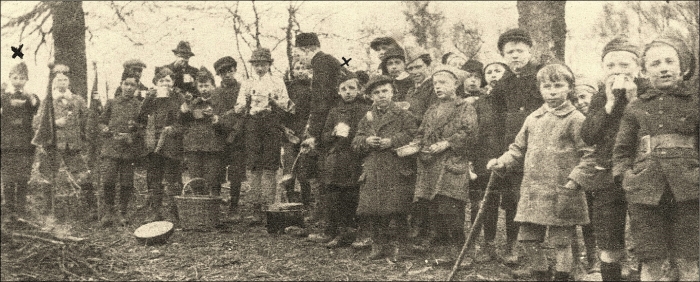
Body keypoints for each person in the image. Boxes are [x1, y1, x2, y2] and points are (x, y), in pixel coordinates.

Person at [488, 63, 595, 281]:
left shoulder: (575, 119)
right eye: (547, 86)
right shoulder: (532, 119)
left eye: (558, 85)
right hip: (534, 191)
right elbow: (517, 149)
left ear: (569, 88)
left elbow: (589, 154)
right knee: (528, 239)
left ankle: (563, 276)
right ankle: (542, 275)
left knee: (561, 242)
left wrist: (575, 181)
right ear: (540, 90)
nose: (553, 91)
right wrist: (502, 162)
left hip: (563, 191)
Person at [612, 36, 698, 281]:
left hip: (689, 190)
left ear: (682, 67)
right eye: (656, 63)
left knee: (688, 257)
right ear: (644, 71)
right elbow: (622, 150)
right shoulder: (636, 107)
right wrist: (626, 177)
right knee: (650, 257)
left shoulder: (695, 103)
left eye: (670, 61)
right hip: (645, 191)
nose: (663, 68)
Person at [580, 36, 647, 282]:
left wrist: (632, 100)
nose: (617, 71)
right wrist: (608, 103)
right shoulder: (600, 97)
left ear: (639, 68)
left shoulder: (647, 93)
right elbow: (588, 135)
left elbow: (649, 127)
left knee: (646, 232)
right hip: (607, 174)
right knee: (608, 235)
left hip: (641, 173)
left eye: (624, 65)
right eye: (610, 66)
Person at [489, 28, 544, 264]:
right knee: (513, 198)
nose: (515, 56)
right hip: (513, 148)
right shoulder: (504, 83)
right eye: (509, 52)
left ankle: (541, 251)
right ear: (503, 55)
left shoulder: (542, 76)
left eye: (520, 51)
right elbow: (497, 118)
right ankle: (514, 245)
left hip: (540, 146)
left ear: (529, 51)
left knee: (538, 197)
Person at [352, 75, 419, 261]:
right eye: (376, 92)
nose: (381, 95)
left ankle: (403, 247)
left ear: (393, 92)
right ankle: (378, 245)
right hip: (373, 168)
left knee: (398, 210)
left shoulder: (405, 115)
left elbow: (414, 136)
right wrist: (366, 141)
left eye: (385, 91)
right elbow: (356, 141)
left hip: (396, 167)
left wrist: (392, 141)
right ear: (371, 95)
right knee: (372, 211)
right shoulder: (367, 117)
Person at [412, 65, 478, 251]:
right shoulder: (432, 109)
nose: (438, 87)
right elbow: (421, 132)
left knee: (450, 207)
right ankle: (440, 245)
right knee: (433, 207)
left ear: (456, 84)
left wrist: (447, 143)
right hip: (430, 164)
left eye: (443, 83)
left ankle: (460, 248)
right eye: (435, 84)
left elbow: (470, 133)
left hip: (452, 164)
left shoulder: (465, 107)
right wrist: (415, 146)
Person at [307, 69, 371, 247]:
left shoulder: (365, 110)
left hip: (354, 158)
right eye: (344, 89)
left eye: (352, 88)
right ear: (338, 91)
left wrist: (350, 135)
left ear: (359, 90)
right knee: (332, 194)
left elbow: (366, 134)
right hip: (335, 159)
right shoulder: (335, 111)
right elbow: (324, 136)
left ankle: (349, 232)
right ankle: (332, 230)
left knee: (350, 195)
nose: (348, 92)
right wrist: (334, 133)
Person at [234, 47, 294, 225]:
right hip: (252, 125)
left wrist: (273, 100)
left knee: (270, 165)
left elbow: (287, 105)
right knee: (253, 165)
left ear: (269, 65)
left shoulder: (277, 81)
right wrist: (245, 102)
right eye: (256, 65)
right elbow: (238, 106)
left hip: (270, 124)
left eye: (263, 64)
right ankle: (255, 209)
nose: (259, 68)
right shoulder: (247, 82)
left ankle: (269, 207)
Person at [459, 59, 502, 262]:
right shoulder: (463, 101)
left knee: (490, 200)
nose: (472, 81)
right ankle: (471, 243)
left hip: (491, 154)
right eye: (468, 77)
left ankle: (489, 243)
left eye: (476, 77)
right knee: (472, 201)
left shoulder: (492, 99)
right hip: (469, 155)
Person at [296, 32, 341, 224]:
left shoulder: (321, 64)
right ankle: (323, 212)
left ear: (308, 49)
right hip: (331, 121)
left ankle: (325, 214)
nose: (300, 58)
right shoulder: (331, 61)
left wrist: (313, 133)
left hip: (327, 124)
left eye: (300, 53)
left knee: (323, 169)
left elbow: (321, 101)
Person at [97, 70, 145, 227]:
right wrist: (104, 128)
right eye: (127, 84)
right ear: (121, 85)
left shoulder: (139, 106)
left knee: (126, 182)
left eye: (133, 85)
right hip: (111, 148)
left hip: (129, 150)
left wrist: (133, 134)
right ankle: (109, 211)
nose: (129, 88)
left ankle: (122, 212)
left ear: (137, 87)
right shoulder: (112, 103)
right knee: (109, 179)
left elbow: (144, 128)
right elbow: (102, 121)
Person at [50, 68, 98, 220]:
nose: (62, 82)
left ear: (69, 82)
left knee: (83, 175)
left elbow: (88, 118)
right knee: (50, 177)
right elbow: (38, 122)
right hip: (54, 145)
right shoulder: (48, 100)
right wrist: (55, 123)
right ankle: (49, 213)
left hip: (73, 145)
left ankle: (92, 209)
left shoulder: (77, 100)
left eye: (64, 79)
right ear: (54, 82)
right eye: (58, 79)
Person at [138, 67, 184, 224]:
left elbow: (185, 120)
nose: (165, 83)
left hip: (171, 142)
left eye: (168, 80)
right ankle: (154, 211)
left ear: (173, 83)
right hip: (153, 143)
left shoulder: (178, 97)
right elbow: (141, 117)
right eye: (161, 80)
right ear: (156, 83)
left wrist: (174, 129)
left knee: (173, 177)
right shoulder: (151, 98)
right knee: (153, 178)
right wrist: (148, 99)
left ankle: (174, 211)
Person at [1, 62, 40, 224]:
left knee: (23, 177)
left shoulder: (31, 97)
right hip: (7, 144)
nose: (18, 81)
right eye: (15, 77)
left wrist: (30, 97)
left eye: (22, 78)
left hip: (25, 144)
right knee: (8, 178)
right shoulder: (3, 96)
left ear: (27, 80)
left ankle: (21, 211)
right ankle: (9, 212)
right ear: (10, 78)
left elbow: (37, 108)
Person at [180, 67, 225, 199]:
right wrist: (185, 109)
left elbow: (227, 123)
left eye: (207, 85)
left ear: (213, 85)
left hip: (213, 148)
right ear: (197, 87)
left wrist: (215, 118)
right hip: (194, 147)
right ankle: (198, 207)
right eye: (201, 86)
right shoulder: (193, 103)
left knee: (214, 179)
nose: (204, 89)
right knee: (196, 179)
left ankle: (213, 208)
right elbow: (183, 121)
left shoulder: (219, 102)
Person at [211, 56, 245, 221]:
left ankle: (234, 206)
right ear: (219, 74)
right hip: (218, 138)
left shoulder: (242, 89)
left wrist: (234, 132)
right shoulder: (215, 92)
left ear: (234, 71)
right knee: (216, 171)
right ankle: (215, 207)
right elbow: (213, 115)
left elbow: (243, 114)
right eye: (223, 72)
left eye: (230, 71)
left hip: (237, 138)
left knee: (236, 174)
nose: (227, 75)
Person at [282, 59, 313, 207]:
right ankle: (290, 201)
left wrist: (310, 129)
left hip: (306, 131)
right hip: (289, 132)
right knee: (289, 166)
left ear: (310, 71)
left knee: (304, 169)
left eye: (304, 68)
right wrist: (284, 128)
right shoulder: (288, 87)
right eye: (297, 68)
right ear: (292, 71)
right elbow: (281, 110)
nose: (301, 71)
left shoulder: (314, 88)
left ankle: (306, 202)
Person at [403, 46, 436, 121]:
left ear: (428, 66)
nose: (414, 72)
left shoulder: (434, 87)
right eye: (410, 69)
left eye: (418, 67)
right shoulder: (411, 90)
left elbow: (432, 118)